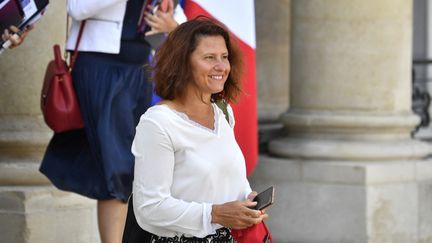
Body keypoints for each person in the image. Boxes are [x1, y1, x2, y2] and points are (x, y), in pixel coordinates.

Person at [39, 1, 186, 243]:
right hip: (100, 65)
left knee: (136, 167)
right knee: (117, 167)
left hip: (140, 68)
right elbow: (77, 8)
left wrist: (173, 25)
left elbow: (178, 17)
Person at [130, 18, 268, 242]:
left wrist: (247, 199)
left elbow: (229, 177)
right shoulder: (157, 123)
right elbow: (150, 207)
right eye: (209, 58)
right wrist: (215, 213)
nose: (221, 67)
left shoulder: (223, 112)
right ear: (183, 63)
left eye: (224, 57)